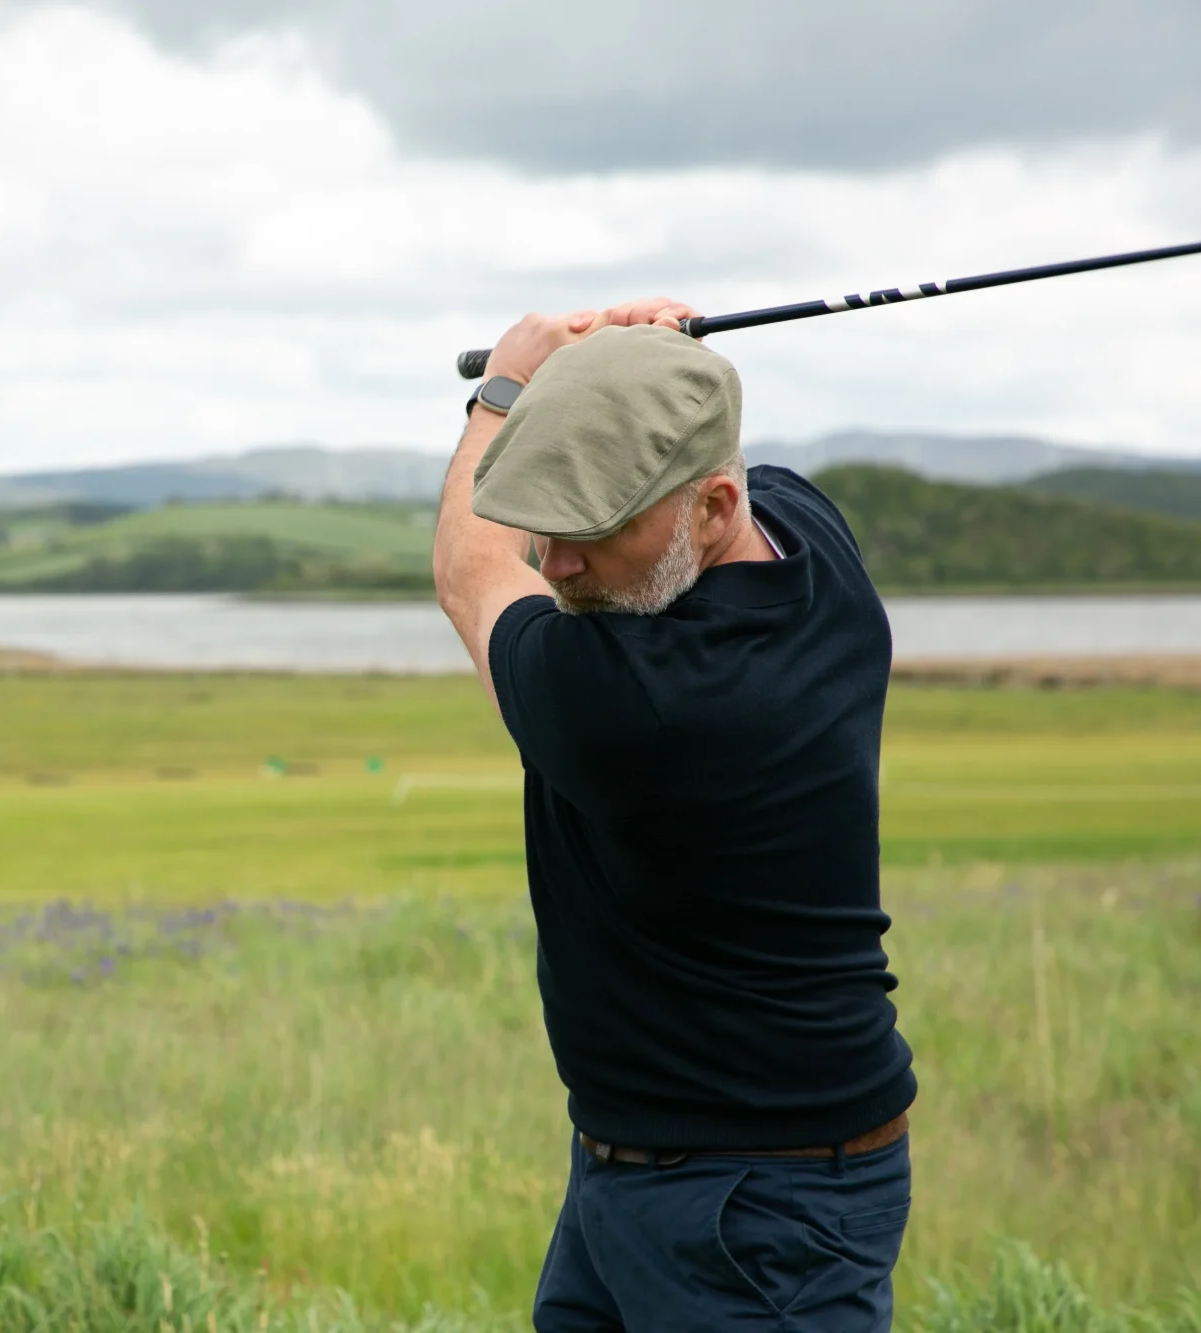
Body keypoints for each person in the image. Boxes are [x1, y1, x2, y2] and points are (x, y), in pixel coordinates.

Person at [432, 299, 917, 1332]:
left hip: (755, 1210)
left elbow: (473, 570)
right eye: (548, 525)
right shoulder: (808, 543)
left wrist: (506, 389)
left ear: (710, 509)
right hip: (646, 1167)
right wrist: (644, 367)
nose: (555, 564)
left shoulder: (627, 700)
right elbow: (694, 437)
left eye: (591, 534)